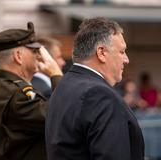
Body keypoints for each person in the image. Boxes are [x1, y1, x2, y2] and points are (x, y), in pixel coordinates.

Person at [46, 17, 145, 160]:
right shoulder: (100, 95)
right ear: (101, 52)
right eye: (122, 51)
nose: (126, 59)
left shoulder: (64, 84)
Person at [0, 22, 63, 160]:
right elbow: (59, 117)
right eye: (34, 51)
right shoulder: (17, 94)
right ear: (18, 56)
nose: (38, 56)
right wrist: (56, 74)